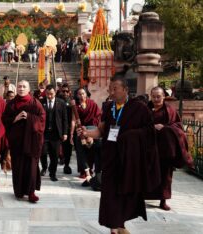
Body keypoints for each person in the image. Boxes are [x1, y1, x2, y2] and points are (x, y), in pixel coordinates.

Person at [77, 73, 161, 234]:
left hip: (129, 160)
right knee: (109, 195)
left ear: (126, 89)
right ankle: (115, 227)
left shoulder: (139, 108)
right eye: (110, 89)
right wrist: (87, 134)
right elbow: (101, 130)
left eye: (115, 89)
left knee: (125, 194)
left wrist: (130, 137)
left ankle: (120, 226)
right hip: (111, 158)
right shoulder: (109, 108)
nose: (112, 92)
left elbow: (149, 133)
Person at [145, 86, 194, 210]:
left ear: (164, 97)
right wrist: (151, 128)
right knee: (146, 174)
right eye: (154, 96)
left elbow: (178, 126)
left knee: (165, 176)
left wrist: (165, 128)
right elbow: (137, 124)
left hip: (165, 149)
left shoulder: (169, 110)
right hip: (148, 148)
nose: (156, 99)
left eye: (159, 96)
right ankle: (142, 198)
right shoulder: (145, 109)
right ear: (150, 96)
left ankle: (163, 200)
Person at [2, 80, 45, 203]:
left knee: (31, 167)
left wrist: (30, 117)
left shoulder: (35, 103)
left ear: (28, 89)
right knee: (18, 166)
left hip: (32, 141)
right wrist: (15, 119)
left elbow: (42, 119)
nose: (21, 88)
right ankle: (19, 191)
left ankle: (31, 192)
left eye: (24, 87)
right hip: (17, 141)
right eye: (19, 86)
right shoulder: (11, 104)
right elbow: (4, 119)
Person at [73, 88, 101, 185]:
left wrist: (91, 135)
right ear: (77, 95)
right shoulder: (75, 106)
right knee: (81, 152)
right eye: (79, 94)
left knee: (95, 152)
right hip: (81, 131)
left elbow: (98, 118)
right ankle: (87, 173)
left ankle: (97, 173)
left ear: (86, 94)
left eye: (83, 93)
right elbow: (74, 120)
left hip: (93, 130)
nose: (82, 96)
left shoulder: (93, 104)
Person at [40, 84, 68, 181]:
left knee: (54, 155)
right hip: (44, 132)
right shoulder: (41, 102)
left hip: (56, 133)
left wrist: (65, 133)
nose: (50, 96)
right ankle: (44, 167)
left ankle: (53, 173)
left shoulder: (61, 103)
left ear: (55, 92)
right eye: (48, 94)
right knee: (42, 152)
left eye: (51, 94)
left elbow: (65, 119)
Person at [59, 83, 73, 174]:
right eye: (63, 91)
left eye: (66, 91)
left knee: (68, 148)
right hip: (58, 128)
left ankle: (67, 165)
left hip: (68, 128)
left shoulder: (72, 102)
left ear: (69, 92)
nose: (65, 93)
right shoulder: (57, 101)